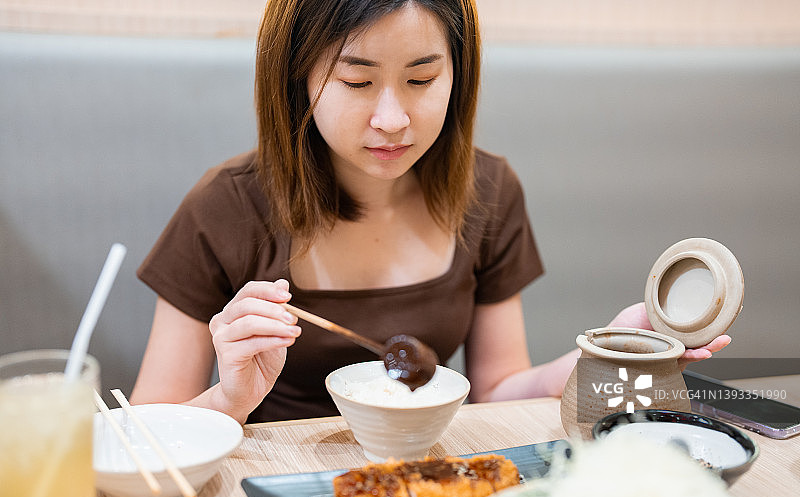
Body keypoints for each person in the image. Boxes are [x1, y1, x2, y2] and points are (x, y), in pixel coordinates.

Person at [130, 0, 729, 425]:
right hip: (275, 494)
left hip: (436, 487)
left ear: (456, 76)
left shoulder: (488, 191)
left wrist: (611, 351)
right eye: (356, 82)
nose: (392, 118)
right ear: (298, 78)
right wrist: (228, 400)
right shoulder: (228, 207)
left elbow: (499, 392)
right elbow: (144, 432)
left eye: (421, 79)